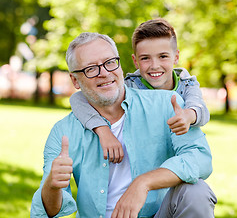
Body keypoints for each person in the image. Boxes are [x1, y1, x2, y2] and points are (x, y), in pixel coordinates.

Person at [31, 32, 216, 218]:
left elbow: (200, 158)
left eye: (109, 62)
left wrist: (144, 182)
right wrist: (52, 186)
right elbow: (48, 212)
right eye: (91, 68)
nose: (104, 73)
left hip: (158, 214)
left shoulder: (167, 104)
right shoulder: (64, 131)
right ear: (75, 80)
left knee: (196, 191)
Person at [70, 18, 209, 163]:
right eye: (145, 58)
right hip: (145, 161)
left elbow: (200, 108)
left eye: (163, 56)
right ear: (135, 61)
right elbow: (77, 99)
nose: (154, 65)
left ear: (176, 57)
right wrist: (102, 130)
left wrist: (189, 116)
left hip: (178, 159)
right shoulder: (130, 86)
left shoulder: (187, 84)